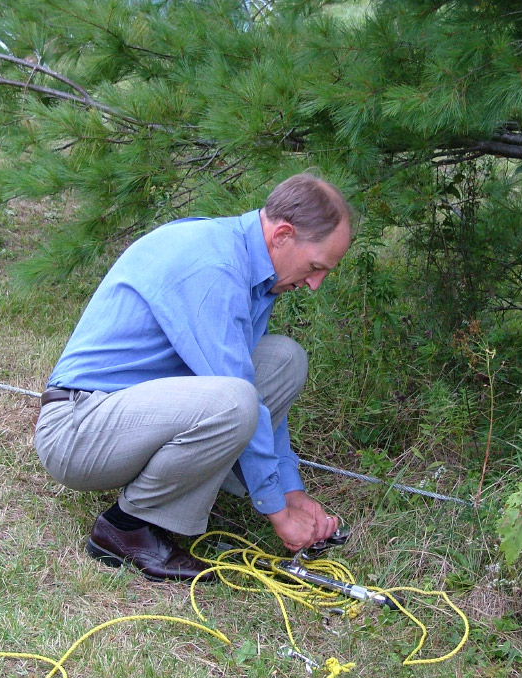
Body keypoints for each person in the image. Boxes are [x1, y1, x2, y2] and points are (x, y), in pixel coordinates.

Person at [35, 172, 352, 582]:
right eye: (315, 267)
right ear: (283, 235)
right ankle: (125, 528)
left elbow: (253, 384)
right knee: (235, 400)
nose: (314, 283)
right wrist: (278, 512)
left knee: (284, 359)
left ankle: (180, 492)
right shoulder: (214, 267)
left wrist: (291, 492)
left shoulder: (252, 269)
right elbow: (242, 395)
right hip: (79, 429)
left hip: (130, 415)